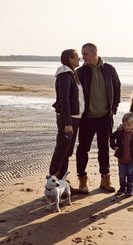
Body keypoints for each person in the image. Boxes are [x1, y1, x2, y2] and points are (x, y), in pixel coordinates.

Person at [76, 43, 121, 193]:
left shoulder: (109, 69)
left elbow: (117, 88)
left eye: (85, 54)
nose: (83, 57)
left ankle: (105, 179)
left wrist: (113, 109)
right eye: (82, 54)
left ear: (94, 53)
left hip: (105, 118)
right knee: (83, 149)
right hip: (87, 118)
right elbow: (75, 94)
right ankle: (82, 179)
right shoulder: (80, 72)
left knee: (104, 149)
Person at [49, 49, 85, 185]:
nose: (79, 59)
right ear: (70, 59)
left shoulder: (71, 74)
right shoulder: (64, 75)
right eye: (77, 57)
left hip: (74, 117)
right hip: (68, 118)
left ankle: (62, 182)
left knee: (67, 151)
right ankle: (52, 182)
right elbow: (64, 100)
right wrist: (67, 122)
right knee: (61, 150)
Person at [110, 112, 133, 196]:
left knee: (130, 174)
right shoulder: (120, 132)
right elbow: (111, 137)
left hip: (131, 159)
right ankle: (122, 188)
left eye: (129, 125)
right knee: (121, 175)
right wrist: (113, 146)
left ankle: (129, 190)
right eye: (125, 125)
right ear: (122, 124)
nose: (127, 127)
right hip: (121, 158)